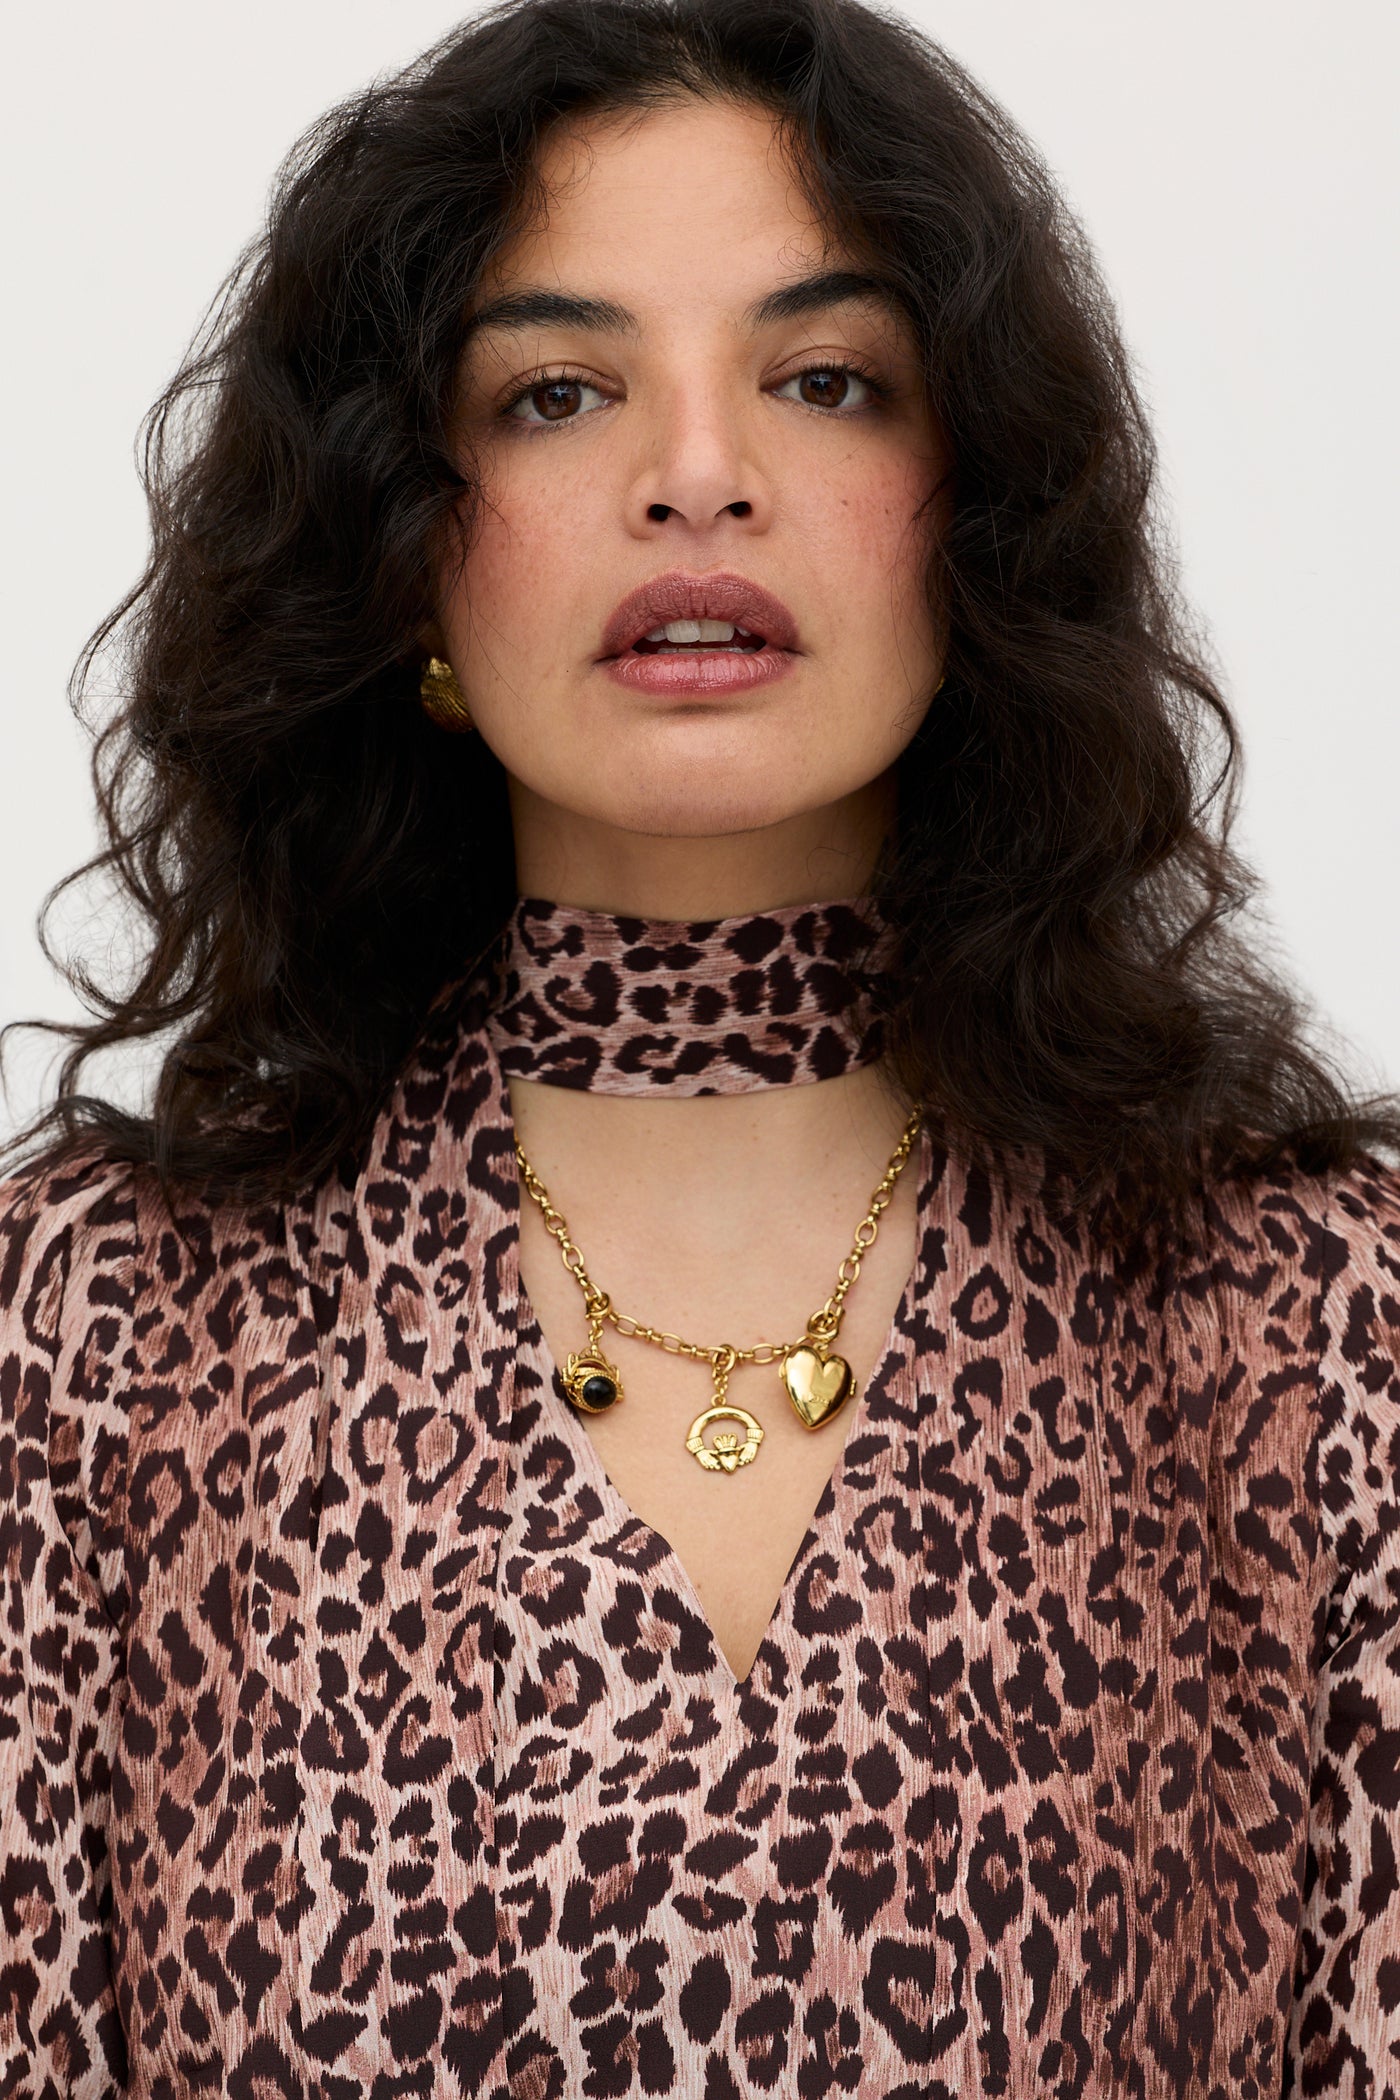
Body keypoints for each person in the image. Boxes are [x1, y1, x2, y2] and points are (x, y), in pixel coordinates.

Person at [2, 0, 1398, 2091]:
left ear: (977, 509)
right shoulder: (94, 1331)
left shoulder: (1303, 1327)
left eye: (825, 380)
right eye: (557, 392)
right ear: (400, 548)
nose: (696, 478)